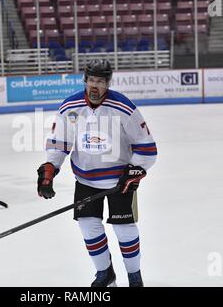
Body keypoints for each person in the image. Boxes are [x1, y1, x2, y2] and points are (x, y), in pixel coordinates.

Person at [37, 59, 157, 287]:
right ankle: (105, 274)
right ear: (84, 80)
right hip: (85, 180)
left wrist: (135, 170)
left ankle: (134, 277)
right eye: (91, 80)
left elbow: (147, 147)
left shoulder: (124, 107)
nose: (94, 86)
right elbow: (59, 143)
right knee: (88, 226)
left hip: (119, 182)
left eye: (100, 81)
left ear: (108, 83)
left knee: (124, 229)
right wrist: (49, 170)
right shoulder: (69, 107)